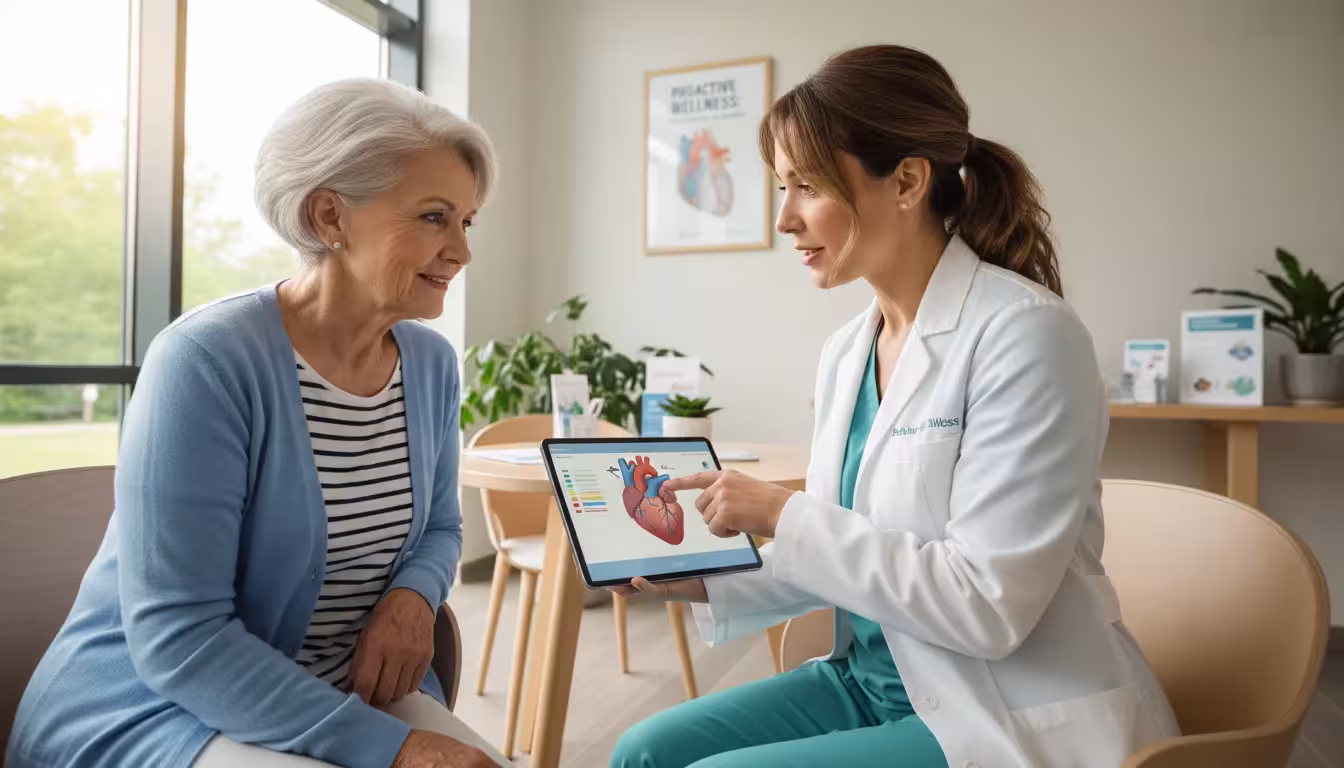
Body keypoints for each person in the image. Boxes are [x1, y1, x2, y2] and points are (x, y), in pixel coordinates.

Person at [608, 45, 1180, 768]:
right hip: (872, 681)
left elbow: (987, 606)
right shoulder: (848, 350)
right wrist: (700, 577)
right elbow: (839, 553)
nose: (784, 219)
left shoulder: (1027, 335)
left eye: (806, 187)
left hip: (999, 706)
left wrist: (780, 513)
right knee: (643, 751)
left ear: (908, 181)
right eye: (781, 188)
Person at [6, 79, 508, 768]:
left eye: (466, 221)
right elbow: (179, 637)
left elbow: (442, 529)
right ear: (330, 216)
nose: (461, 250)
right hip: (166, 707)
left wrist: (414, 598)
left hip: (335, 690)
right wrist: (393, 749)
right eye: (433, 217)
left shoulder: (430, 364)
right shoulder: (205, 362)